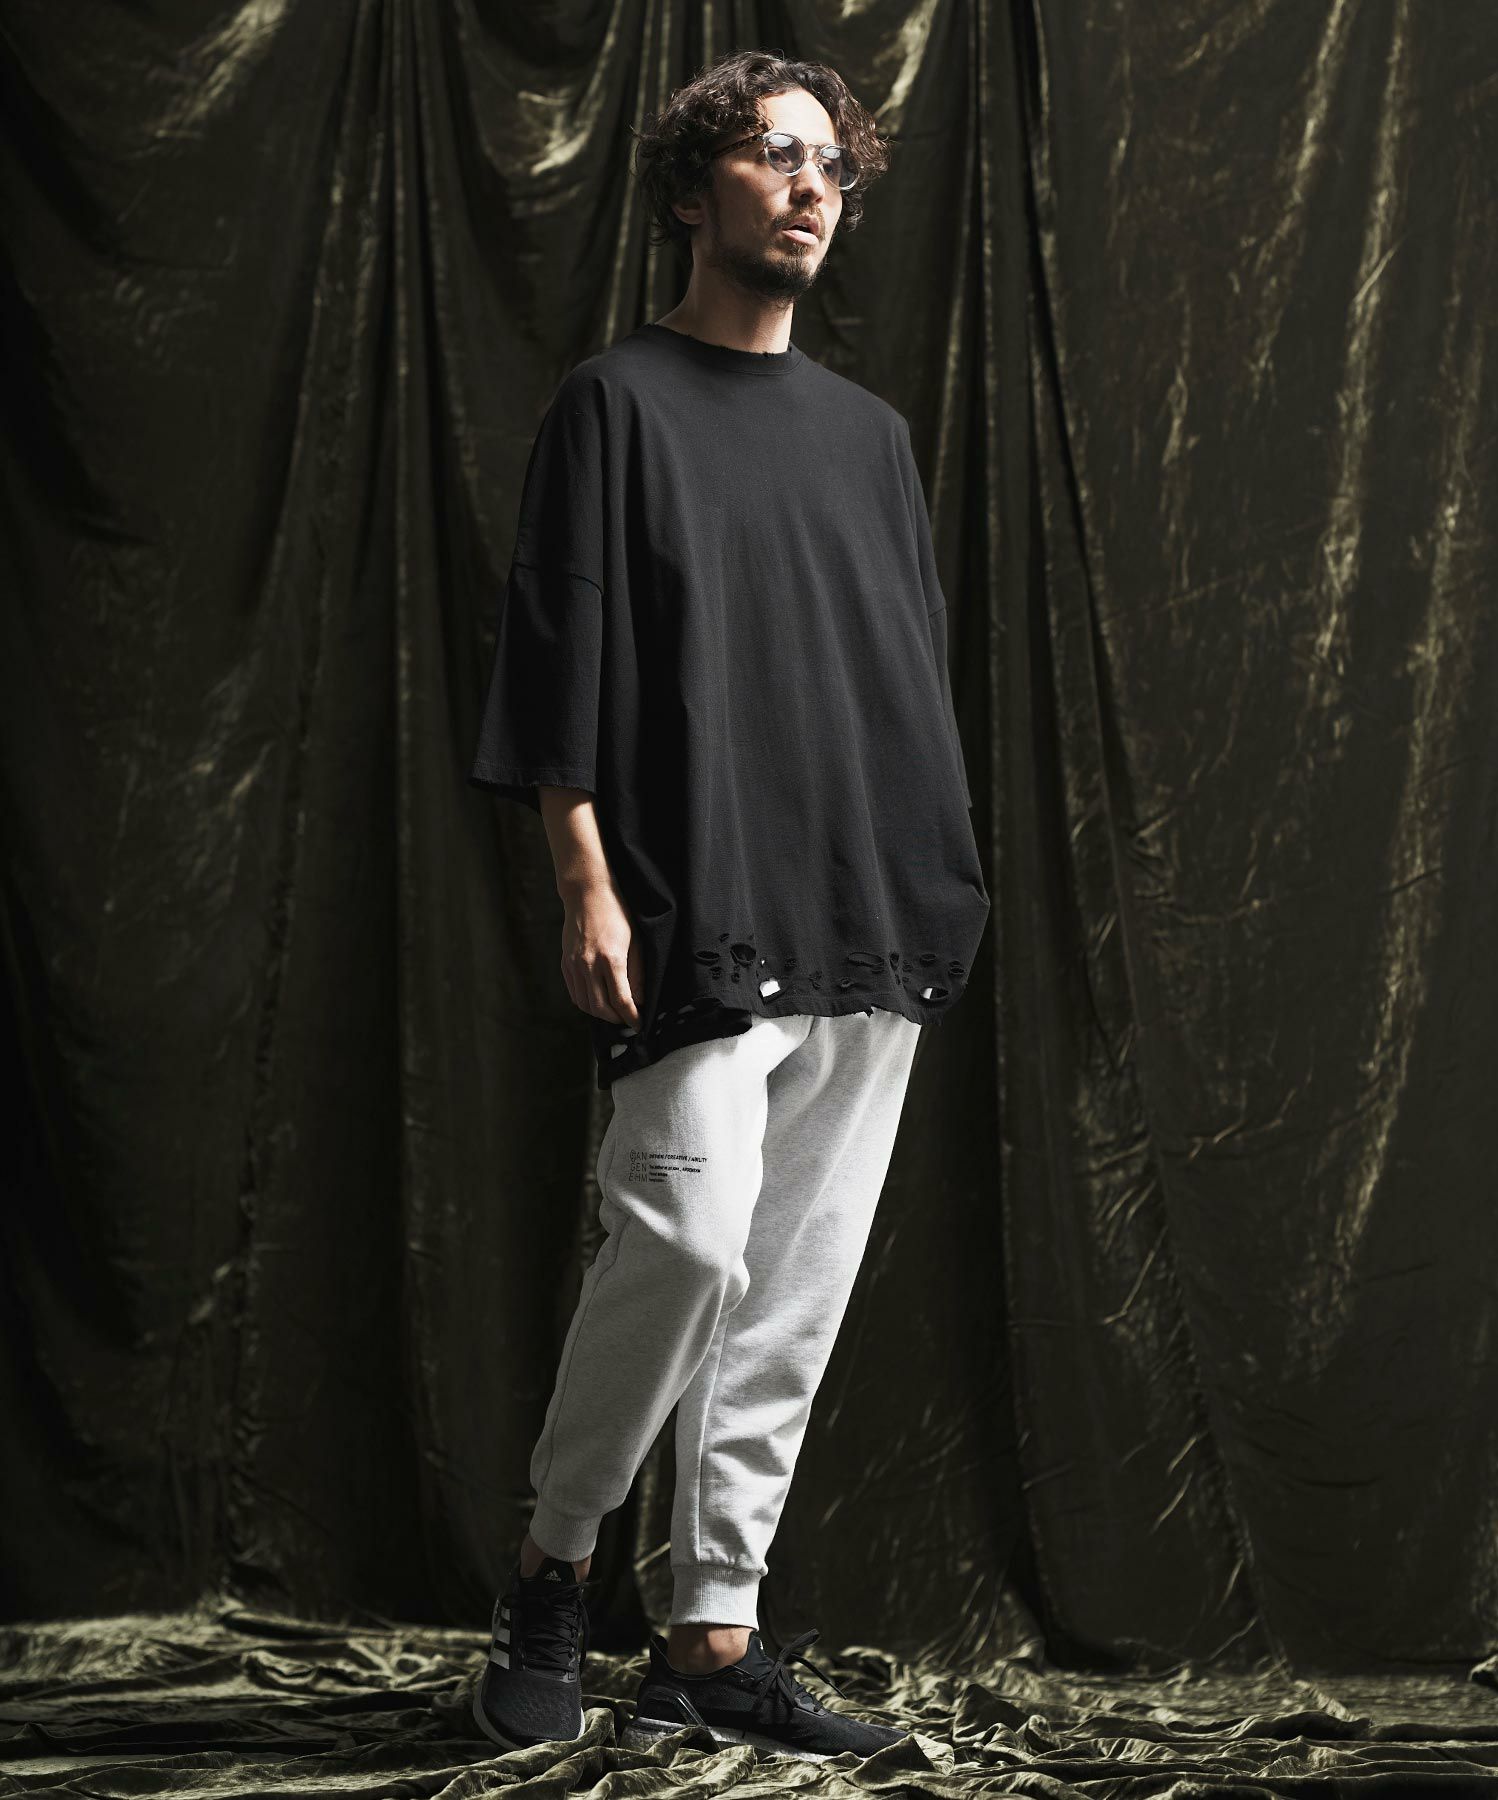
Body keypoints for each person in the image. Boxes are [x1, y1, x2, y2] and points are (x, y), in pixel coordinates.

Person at [466, 46, 990, 1763]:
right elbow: (561, 652)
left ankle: (711, 1636)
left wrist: (938, 881)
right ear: (696, 190)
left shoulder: (872, 439)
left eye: (831, 163)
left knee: (790, 1296)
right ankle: (554, 1569)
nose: (811, 186)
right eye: (774, 155)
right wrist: (585, 879)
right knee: (688, 1247)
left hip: (873, 910)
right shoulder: (614, 405)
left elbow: (899, 676)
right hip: (698, 905)